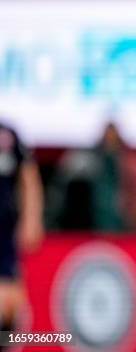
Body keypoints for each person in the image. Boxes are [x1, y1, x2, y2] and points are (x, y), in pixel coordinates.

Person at [0, 121, 44, 334]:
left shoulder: (7, 135)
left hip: (4, 227)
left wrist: (32, 218)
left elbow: (28, 176)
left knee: (8, 299)